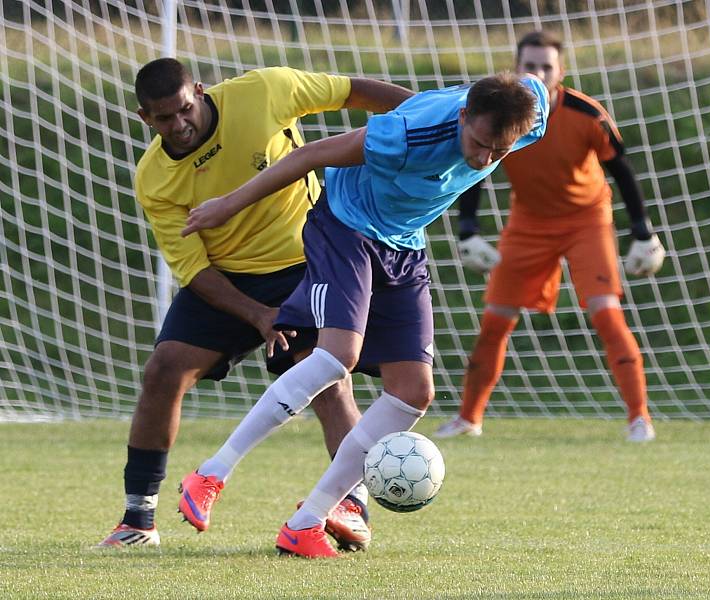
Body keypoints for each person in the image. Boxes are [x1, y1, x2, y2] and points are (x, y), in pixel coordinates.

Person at [177, 71, 549, 557]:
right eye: (478, 143)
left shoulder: (529, 112)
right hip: (346, 226)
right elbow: (308, 155)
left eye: (498, 152)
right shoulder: (405, 136)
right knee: (337, 358)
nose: (483, 159)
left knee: (414, 391)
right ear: (463, 117)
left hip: (404, 243)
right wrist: (227, 204)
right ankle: (211, 472)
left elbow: (540, 85)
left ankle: (306, 522)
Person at [96, 58, 413, 549]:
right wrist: (259, 316)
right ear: (145, 118)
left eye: (184, 110)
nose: (178, 125)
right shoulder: (153, 178)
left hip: (307, 262)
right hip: (227, 282)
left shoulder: (265, 91)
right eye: (163, 118)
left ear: (199, 92)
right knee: (164, 369)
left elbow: (355, 89)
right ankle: (138, 520)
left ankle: (351, 509)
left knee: (328, 377)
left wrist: (428, 114)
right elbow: (194, 268)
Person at [435, 30, 665, 443]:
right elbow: (477, 167)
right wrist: (468, 229)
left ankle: (639, 417)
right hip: (528, 223)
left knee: (606, 313)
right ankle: (468, 418)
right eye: (530, 65)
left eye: (546, 66)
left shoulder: (587, 114)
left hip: (586, 220)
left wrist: (642, 232)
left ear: (561, 71)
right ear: (516, 67)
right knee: (494, 322)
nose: (537, 73)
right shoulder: (503, 113)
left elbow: (622, 170)